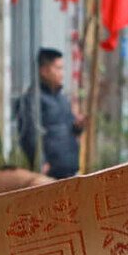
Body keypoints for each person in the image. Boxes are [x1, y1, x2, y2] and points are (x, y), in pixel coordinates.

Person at [15, 48, 82, 179]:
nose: (62, 73)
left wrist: (78, 126)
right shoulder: (31, 99)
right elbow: (29, 134)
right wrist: (41, 162)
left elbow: (69, 129)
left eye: (63, 69)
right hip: (49, 173)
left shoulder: (62, 98)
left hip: (69, 169)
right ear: (44, 71)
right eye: (58, 68)